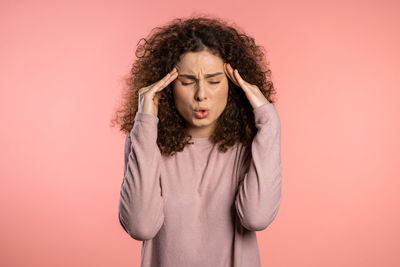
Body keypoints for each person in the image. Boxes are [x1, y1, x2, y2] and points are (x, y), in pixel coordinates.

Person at [111, 15, 282, 267]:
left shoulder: (250, 146)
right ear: (168, 85)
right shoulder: (146, 142)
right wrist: (145, 121)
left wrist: (269, 120)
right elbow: (140, 225)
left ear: (233, 84)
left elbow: (256, 217)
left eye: (214, 81)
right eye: (187, 82)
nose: (201, 94)